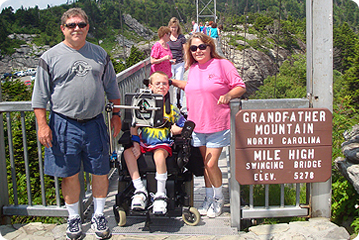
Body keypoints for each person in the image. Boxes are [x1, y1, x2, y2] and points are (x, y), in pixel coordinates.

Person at [31, 8, 121, 240]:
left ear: (87, 27)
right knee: (69, 174)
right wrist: (43, 125)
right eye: (71, 25)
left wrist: (116, 115)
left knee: (99, 172)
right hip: (63, 124)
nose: (77, 29)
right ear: (63, 28)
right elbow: (39, 97)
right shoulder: (49, 57)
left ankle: (99, 215)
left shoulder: (100, 54)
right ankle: (73, 219)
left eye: (81, 24)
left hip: (95, 123)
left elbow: (112, 89)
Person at [171, 33, 246, 218]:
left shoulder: (223, 65)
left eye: (202, 47)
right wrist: (170, 81)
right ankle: (208, 197)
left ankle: (218, 198)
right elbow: (191, 87)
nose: (198, 51)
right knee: (205, 164)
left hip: (217, 123)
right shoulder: (194, 68)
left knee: (211, 163)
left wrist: (229, 95)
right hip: (198, 125)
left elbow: (240, 86)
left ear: (210, 47)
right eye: (194, 48)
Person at [123, 71, 186, 215]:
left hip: (163, 143)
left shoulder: (171, 109)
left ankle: (160, 193)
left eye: (165, 84)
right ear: (150, 86)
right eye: (158, 84)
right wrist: (136, 143)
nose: (162, 86)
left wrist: (177, 129)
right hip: (144, 143)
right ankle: (139, 189)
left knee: (159, 155)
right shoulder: (142, 105)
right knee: (128, 153)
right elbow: (134, 125)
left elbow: (183, 124)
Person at [167, 17, 187, 110]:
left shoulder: (181, 37)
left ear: (177, 27)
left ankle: (179, 102)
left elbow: (186, 50)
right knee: (169, 83)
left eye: (175, 27)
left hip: (179, 62)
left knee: (179, 81)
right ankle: (170, 102)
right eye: (172, 27)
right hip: (169, 63)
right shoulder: (167, 37)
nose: (173, 29)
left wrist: (187, 62)